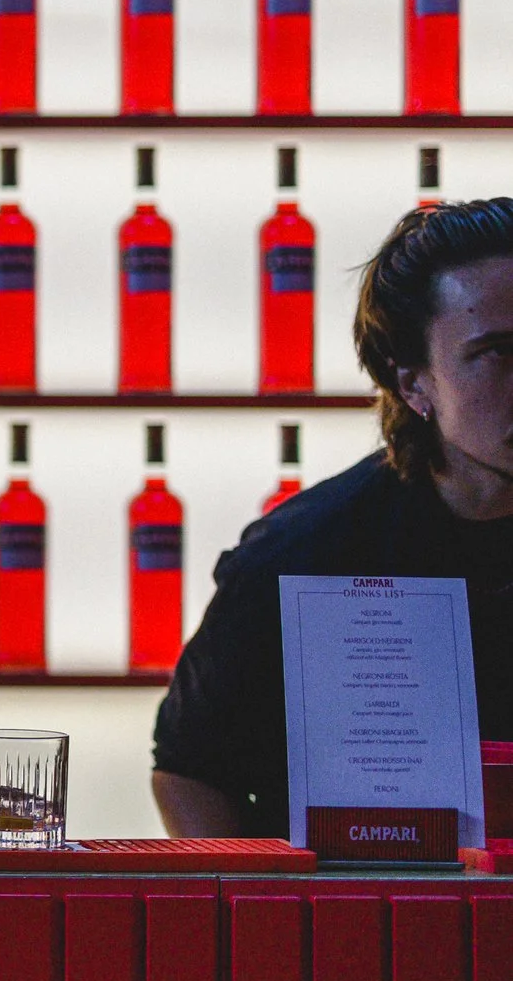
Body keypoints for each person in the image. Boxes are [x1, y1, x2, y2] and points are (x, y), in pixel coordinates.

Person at [153, 198, 513, 837]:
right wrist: (276, 896)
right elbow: (190, 772)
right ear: (414, 384)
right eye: (496, 353)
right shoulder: (302, 553)